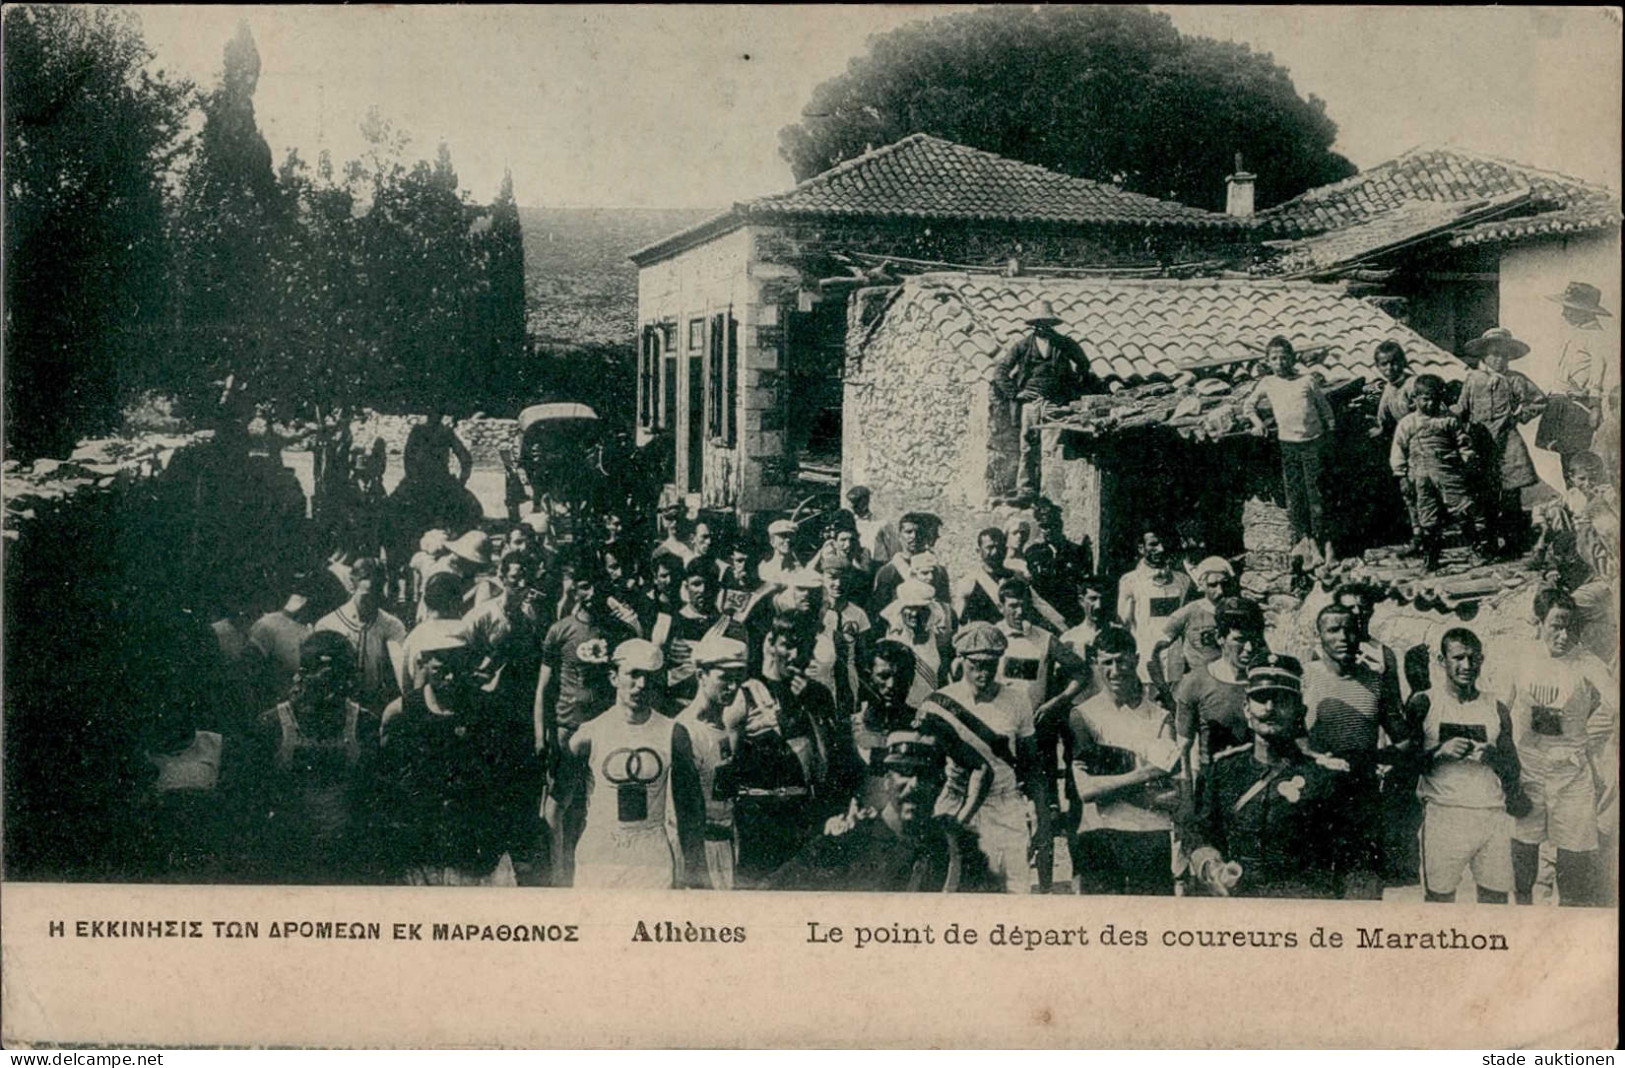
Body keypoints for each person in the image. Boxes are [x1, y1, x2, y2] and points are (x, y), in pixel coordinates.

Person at [1183, 654, 1356, 899]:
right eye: (1261, 698)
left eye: (1283, 700)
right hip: (1236, 900)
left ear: (1300, 711)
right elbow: (1199, 830)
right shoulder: (1223, 771)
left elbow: (1350, 858)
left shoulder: (1323, 777)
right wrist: (1212, 866)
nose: (1270, 708)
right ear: (1246, 708)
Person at [767, 731, 997, 893]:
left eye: (925, 775)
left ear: (939, 785)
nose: (915, 785)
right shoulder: (846, 844)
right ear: (886, 780)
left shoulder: (958, 851)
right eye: (904, 772)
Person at [914, 622, 1041, 893]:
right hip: (955, 803)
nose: (983, 672)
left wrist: (1040, 815)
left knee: (1011, 893)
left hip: (1003, 804)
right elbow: (927, 768)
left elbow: (1031, 764)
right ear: (961, 660)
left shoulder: (1017, 700)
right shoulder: (937, 704)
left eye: (990, 665)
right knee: (950, 891)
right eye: (976, 665)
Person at [1509, 589, 1616, 907]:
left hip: (1570, 770)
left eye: (1570, 626)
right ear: (1539, 622)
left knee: (1574, 855)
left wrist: (1590, 739)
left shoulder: (1586, 662)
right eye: (1556, 625)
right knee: (1523, 847)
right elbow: (1500, 712)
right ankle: (1521, 914)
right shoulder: (1520, 657)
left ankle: (1569, 921)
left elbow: (1615, 701)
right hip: (1528, 765)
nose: (1564, 634)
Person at [535, 562, 639, 886]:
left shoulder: (617, 630)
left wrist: (637, 629)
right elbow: (543, 689)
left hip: (607, 733)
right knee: (558, 803)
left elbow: (641, 670)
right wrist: (541, 735)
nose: (591, 594)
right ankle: (557, 876)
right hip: (569, 730)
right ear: (574, 589)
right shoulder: (561, 630)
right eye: (583, 587)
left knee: (607, 803)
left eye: (596, 586)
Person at [249, 630, 381, 884]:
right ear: (304, 675)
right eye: (326, 681)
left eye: (342, 682)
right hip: (287, 856)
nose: (333, 693)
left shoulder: (363, 723)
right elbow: (256, 800)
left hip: (345, 855)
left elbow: (369, 797)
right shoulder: (272, 724)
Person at [378, 634, 510, 886]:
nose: (450, 678)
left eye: (457, 669)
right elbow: (387, 776)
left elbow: (498, 776)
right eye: (441, 670)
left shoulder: (483, 707)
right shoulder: (401, 711)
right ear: (424, 664)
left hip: (469, 843)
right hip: (422, 841)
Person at [568, 640, 702, 889]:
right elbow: (564, 808)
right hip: (600, 851)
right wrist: (560, 870)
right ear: (613, 677)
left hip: (651, 853)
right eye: (634, 674)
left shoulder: (674, 733)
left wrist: (696, 873)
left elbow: (690, 810)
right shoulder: (588, 735)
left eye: (649, 676)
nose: (641, 684)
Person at [1301, 602, 1410, 898]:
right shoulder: (1305, 676)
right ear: (1319, 635)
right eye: (1333, 630)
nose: (1343, 637)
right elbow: (1290, 736)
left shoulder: (1374, 680)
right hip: (1314, 793)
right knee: (1317, 886)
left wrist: (1374, 759)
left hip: (1361, 796)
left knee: (1363, 887)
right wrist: (1316, 758)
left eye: (1349, 629)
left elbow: (1403, 740)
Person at [1068, 626, 1184, 895]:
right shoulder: (1083, 715)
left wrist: (1112, 785)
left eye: (1122, 660)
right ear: (1095, 663)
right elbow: (1087, 790)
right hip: (1100, 832)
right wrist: (1148, 773)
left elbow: (1174, 796)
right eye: (1107, 662)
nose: (1115, 670)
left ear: (1136, 659)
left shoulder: (1160, 717)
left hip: (1151, 835)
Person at [1413, 628, 1523, 904]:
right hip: (1444, 815)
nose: (1467, 666)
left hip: (1490, 817)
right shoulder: (1425, 702)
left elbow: (1513, 767)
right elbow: (1405, 765)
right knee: (1439, 902)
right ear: (1442, 660)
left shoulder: (1495, 706)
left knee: (1495, 902)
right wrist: (1439, 752)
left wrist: (1493, 756)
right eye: (1458, 658)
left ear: (1482, 660)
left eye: (1473, 658)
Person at [730, 619, 843, 884]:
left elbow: (830, 761)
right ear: (770, 643)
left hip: (803, 815)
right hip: (758, 817)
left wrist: (812, 706)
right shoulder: (744, 692)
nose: (796, 656)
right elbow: (730, 764)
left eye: (803, 647)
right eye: (788, 646)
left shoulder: (818, 694)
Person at [992, 300, 1100, 504]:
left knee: (1050, 448)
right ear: (1033, 325)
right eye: (1038, 323)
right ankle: (1026, 490)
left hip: (1055, 403)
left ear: (1052, 324)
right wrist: (1016, 393)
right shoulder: (1023, 345)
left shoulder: (1064, 343)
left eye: (1046, 323)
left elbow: (1083, 364)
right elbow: (1001, 371)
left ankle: (1047, 493)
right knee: (1027, 446)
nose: (1043, 327)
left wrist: (1073, 387)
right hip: (1031, 404)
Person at [1456, 327, 1546, 556]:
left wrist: (1519, 416)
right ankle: (1487, 543)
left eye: (1503, 354)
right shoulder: (1473, 379)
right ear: (1484, 355)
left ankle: (1513, 543)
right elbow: (1462, 409)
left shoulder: (1515, 379)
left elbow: (1539, 401)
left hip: (1508, 442)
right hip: (1480, 442)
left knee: (1510, 494)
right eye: (1493, 354)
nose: (1498, 359)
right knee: (1484, 493)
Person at [672, 636, 750, 889]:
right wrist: (697, 874)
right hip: (699, 852)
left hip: (725, 847)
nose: (733, 686)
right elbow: (684, 813)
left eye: (738, 678)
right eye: (725, 677)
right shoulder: (685, 731)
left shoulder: (724, 727)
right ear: (701, 675)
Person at [1248, 336, 1337, 560]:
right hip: (1288, 446)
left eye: (1284, 357)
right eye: (1274, 358)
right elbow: (1248, 406)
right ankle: (1306, 542)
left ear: (1293, 358)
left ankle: (1323, 542)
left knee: (1316, 494)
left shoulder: (1306, 381)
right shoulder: (1268, 383)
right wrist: (1257, 423)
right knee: (1295, 495)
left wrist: (1329, 435)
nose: (1280, 362)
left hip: (1312, 444)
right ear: (1267, 362)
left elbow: (1326, 410)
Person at [1391, 373, 1489, 569]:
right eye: (1425, 399)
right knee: (1427, 516)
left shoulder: (1448, 420)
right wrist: (1401, 475)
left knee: (1463, 508)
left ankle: (1477, 549)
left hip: (1447, 472)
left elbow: (1463, 443)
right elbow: (1398, 450)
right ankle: (1431, 558)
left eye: (1435, 399)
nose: (1430, 403)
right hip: (1419, 475)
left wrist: (1466, 459)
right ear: (1415, 399)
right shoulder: (1407, 423)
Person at [1173, 596, 1266, 782]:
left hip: (1261, 781)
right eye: (1239, 640)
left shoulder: (1267, 680)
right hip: (1214, 783)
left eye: (1254, 640)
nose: (1248, 648)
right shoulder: (1196, 682)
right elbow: (1184, 747)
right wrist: (1187, 796)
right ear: (1220, 638)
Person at [1540, 282, 1613, 484]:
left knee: (1578, 460)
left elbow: (1598, 371)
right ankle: (1574, 506)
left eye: (1569, 309)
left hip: (1577, 407)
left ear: (1584, 311)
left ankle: (1586, 508)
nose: (1564, 313)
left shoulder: (1596, 336)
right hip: (1562, 404)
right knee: (1566, 458)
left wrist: (1595, 406)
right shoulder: (1574, 332)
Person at [313, 558, 407, 714]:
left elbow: (400, 667)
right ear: (352, 586)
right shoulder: (328, 624)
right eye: (367, 595)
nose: (372, 601)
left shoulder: (391, 624)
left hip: (375, 705)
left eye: (378, 593)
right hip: (339, 706)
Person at [1147, 556, 1237, 703]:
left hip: (1231, 685)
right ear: (1201, 585)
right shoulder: (1188, 613)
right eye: (1213, 585)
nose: (1220, 591)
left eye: (1224, 584)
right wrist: (1164, 690)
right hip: (1199, 687)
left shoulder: (1238, 611)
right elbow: (1153, 653)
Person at [852, 640, 927, 812]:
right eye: (883, 676)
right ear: (868, 677)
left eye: (900, 676)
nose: (892, 685)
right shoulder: (850, 728)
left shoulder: (923, 727)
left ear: (910, 679)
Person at [1115, 529, 1195, 684]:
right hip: (1144, 664)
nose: (1161, 549)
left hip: (1176, 664)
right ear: (1141, 548)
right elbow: (1124, 625)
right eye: (1153, 544)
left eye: (1164, 543)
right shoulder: (1130, 581)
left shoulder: (1183, 580)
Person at [650, 555, 732, 706]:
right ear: (686, 586)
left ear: (718, 588)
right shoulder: (667, 622)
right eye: (696, 584)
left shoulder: (730, 626)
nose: (703, 590)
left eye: (709, 584)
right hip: (676, 705)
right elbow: (655, 671)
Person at [809, 563, 872, 718]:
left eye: (843, 578)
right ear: (823, 579)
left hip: (848, 682)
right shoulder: (815, 614)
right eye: (832, 577)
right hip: (820, 678)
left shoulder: (858, 614)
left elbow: (862, 655)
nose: (838, 584)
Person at [880, 580, 955, 709]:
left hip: (931, 706)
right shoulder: (891, 641)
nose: (914, 613)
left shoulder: (940, 640)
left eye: (921, 608)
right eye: (909, 608)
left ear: (930, 611)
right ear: (900, 610)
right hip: (899, 708)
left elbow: (945, 677)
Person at [869, 512, 951, 614]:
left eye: (919, 532)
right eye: (908, 532)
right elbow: (880, 609)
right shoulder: (888, 571)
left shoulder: (937, 570)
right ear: (899, 535)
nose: (914, 536)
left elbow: (945, 605)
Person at [402, 405, 473, 488]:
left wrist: (462, 480)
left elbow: (408, 457)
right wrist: (462, 481)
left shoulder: (420, 431)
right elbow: (408, 456)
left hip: (432, 480)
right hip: (430, 480)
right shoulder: (420, 431)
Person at [846, 485, 901, 565]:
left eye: (856, 502)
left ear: (865, 501)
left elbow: (894, 550)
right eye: (851, 502)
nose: (853, 506)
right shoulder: (850, 523)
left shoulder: (881, 524)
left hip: (878, 566)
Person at [759, 518, 800, 586]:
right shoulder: (764, 568)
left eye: (791, 536)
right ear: (772, 540)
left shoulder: (800, 568)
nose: (788, 540)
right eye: (783, 536)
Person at [652, 501, 695, 566]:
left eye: (678, 518)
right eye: (670, 519)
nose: (675, 522)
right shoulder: (663, 549)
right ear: (665, 523)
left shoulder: (692, 544)